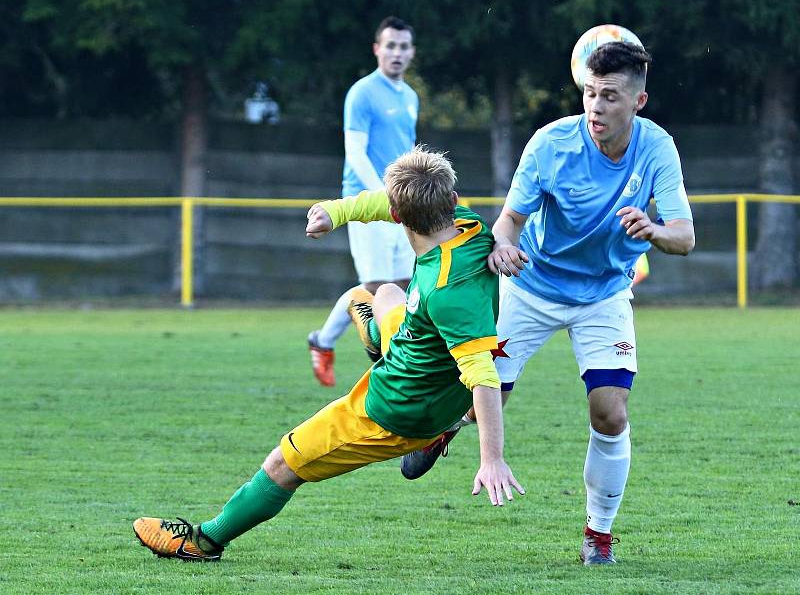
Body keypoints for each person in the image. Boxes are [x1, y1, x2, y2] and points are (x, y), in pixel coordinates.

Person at [133, 147, 524, 562]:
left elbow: (482, 374)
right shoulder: (469, 224)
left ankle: (204, 541)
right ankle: (379, 337)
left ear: (397, 217)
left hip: (396, 410)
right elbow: (381, 201)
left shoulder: (447, 291)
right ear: (451, 199)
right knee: (383, 292)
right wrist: (334, 212)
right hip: (422, 357)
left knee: (283, 464)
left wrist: (492, 459)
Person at [401, 42, 695, 565]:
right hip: (532, 287)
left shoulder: (658, 149)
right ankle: (447, 426)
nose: (596, 107)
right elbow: (508, 221)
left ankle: (598, 536)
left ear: (638, 101)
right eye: (589, 93)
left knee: (610, 414)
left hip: (603, 294)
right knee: (483, 399)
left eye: (609, 96)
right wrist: (506, 245)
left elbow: (685, 237)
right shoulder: (551, 143)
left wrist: (653, 230)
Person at [308, 16, 419, 387]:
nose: (397, 53)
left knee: (402, 286)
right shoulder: (362, 93)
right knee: (374, 288)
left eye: (403, 46)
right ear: (377, 49)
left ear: (412, 52)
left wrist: (411, 193)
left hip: (401, 205)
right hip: (369, 203)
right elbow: (355, 153)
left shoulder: (410, 97)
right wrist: (383, 197)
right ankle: (326, 343)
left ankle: (329, 342)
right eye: (390, 45)